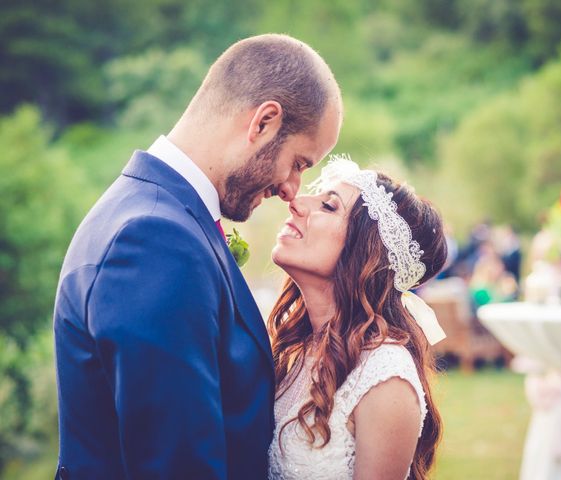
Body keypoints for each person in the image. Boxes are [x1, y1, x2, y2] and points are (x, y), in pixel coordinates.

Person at [53, 34, 342, 480]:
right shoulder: (155, 240)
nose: (291, 189)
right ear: (263, 122)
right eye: (300, 162)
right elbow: (177, 464)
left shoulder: (155, 214)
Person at [267, 157, 447, 479]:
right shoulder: (294, 345)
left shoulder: (384, 377)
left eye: (329, 206)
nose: (295, 202)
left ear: (365, 251)